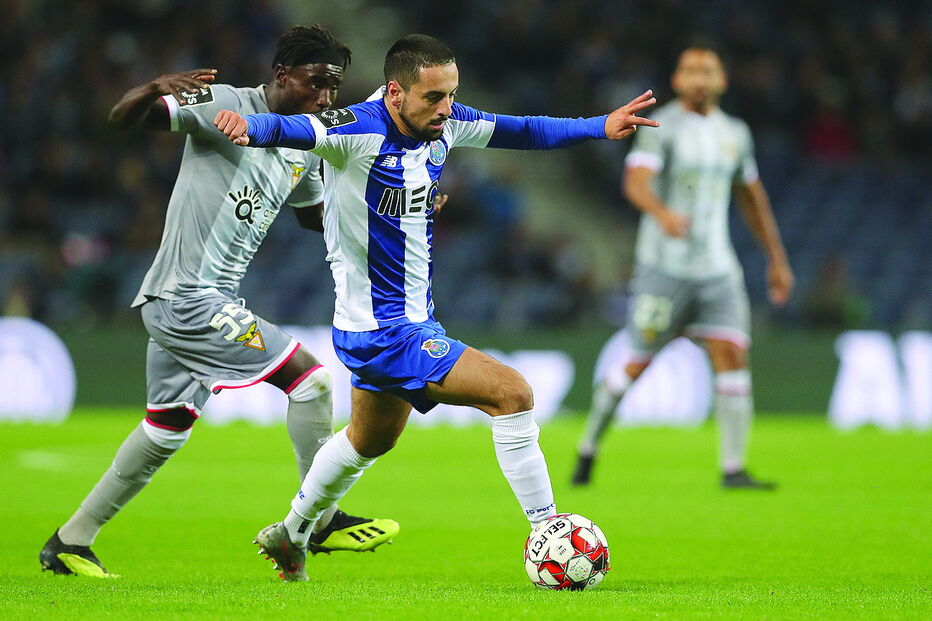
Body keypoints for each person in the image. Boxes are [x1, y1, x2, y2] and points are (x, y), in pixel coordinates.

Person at [213, 33, 659, 581]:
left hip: (397, 324)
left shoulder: (443, 122)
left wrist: (599, 125)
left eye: (451, 95)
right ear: (395, 93)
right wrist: (249, 126)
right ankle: (549, 531)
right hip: (384, 330)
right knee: (513, 394)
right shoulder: (359, 129)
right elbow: (299, 129)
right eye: (433, 97)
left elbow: (523, 130)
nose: (447, 109)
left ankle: (291, 533)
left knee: (367, 441)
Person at [39, 25, 402, 579]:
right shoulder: (226, 104)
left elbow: (317, 217)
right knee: (311, 382)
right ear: (282, 75)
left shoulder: (302, 141)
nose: (325, 97)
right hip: (187, 298)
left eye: (333, 87)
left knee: (164, 431)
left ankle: (70, 541)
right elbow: (123, 118)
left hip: (204, 300)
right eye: (315, 83)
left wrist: (392, 210)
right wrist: (152, 87)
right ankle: (323, 519)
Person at [571, 44, 794, 489]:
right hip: (664, 268)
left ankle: (733, 468)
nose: (698, 78)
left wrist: (776, 258)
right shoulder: (661, 126)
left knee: (732, 354)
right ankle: (588, 447)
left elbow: (752, 197)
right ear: (676, 80)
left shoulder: (735, 132)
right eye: (690, 70)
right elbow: (635, 182)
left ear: (722, 80)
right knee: (638, 362)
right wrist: (662, 213)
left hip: (718, 269)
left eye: (707, 70)